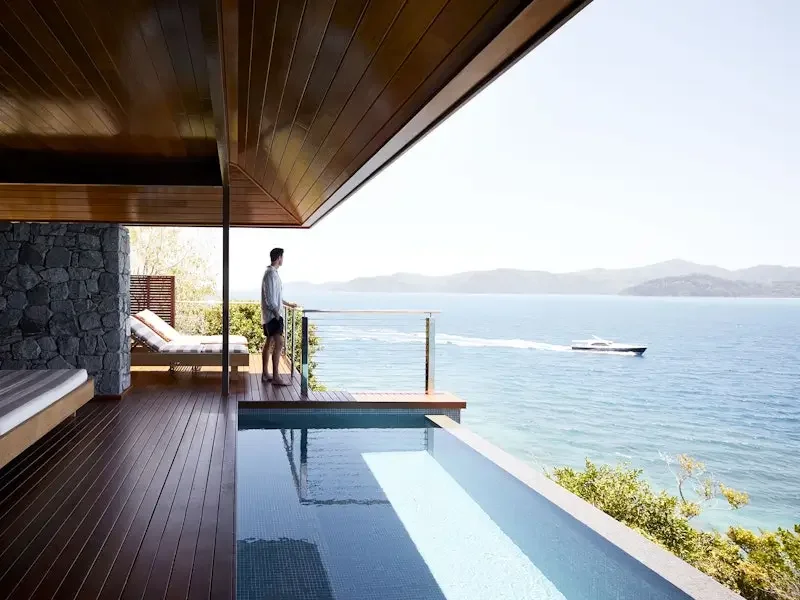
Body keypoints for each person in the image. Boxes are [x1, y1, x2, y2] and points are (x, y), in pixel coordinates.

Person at [261, 248, 289, 385]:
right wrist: (276, 314)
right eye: (282, 257)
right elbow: (270, 297)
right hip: (273, 316)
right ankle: (276, 377)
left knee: (270, 342)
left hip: (272, 315)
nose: (283, 259)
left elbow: (277, 296)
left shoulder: (273, 274)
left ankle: (266, 374)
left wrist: (287, 303)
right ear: (279, 257)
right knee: (279, 343)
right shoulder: (271, 275)